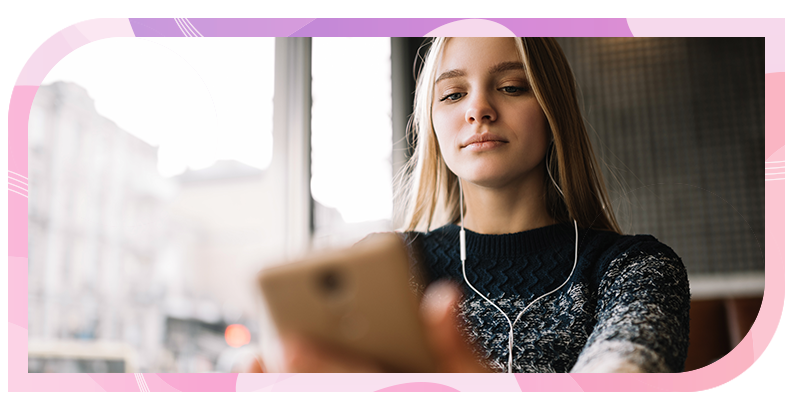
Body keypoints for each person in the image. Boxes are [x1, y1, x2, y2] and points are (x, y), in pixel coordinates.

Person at [263, 37, 690, 374]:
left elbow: (627, 368)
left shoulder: (637, 267)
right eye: (452, 95)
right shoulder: (389, 267)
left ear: (551, 107)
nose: (479, 109)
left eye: (511, 87)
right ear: (432, 122)